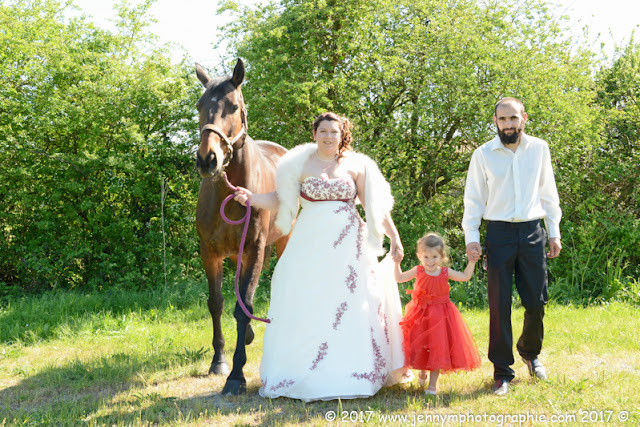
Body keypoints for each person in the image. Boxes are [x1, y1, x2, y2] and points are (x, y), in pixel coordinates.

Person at [233, 112, 407, 401]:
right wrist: (250, 197)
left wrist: (395, 237)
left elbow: (374, 206)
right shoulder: (297, 163)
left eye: (334, 131)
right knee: (306, 299)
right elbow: (279, 197)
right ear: (314, 133)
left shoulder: (357, 164)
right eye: (323, 131)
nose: (328, 136)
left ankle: (353, 370)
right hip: (308, 244)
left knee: (352, 304)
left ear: (342, 135)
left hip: (349, 246)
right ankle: (304, 370)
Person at [462, 97, 562, 396]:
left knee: (536, 301)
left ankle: (530, 354)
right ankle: (502, 371)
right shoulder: (483, 155)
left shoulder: (539, 149)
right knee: (499, 304)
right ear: (495, 121)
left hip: (532, 232)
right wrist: (472, 237)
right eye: (502, 119)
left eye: (513, 118)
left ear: (524, 118)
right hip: (499, 234)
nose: (508, 124)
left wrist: (553, 232)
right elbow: (474, 200)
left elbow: (548, 193)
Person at [394, 232, 481, 395]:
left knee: (437, 347)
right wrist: (397, 263)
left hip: (441, 315)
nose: (430, 261)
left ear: (441, 257)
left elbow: (465, 276)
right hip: (420, 314)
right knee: (420, 344)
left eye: (434, 257)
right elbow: (399, 278)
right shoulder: (418, 270)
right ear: (419, 256)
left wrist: (472, 262)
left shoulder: (445, 272)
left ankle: (432, 385)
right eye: (426, 257)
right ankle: (422, 370)